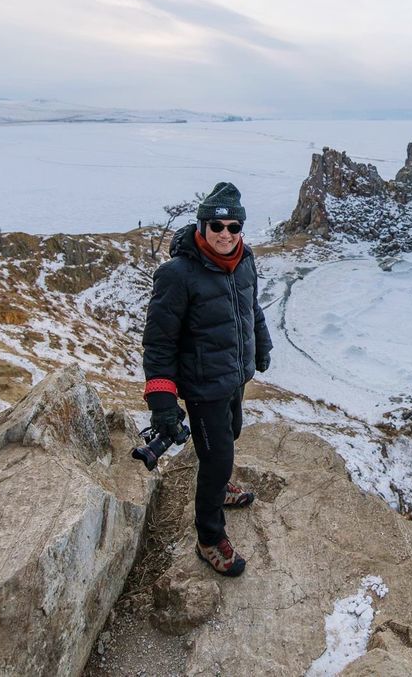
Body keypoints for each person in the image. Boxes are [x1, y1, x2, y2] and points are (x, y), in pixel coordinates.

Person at [142, 181, 273, 577]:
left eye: (233, 227)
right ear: (201, 226)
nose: (225, 234)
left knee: (230, 434)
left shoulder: (244, 260)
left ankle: (219, 486)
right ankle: (209, 538)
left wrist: (261, 347)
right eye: (217, 226)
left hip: (234, 376)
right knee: (217, 458)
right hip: (202, 386)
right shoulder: (177, 275)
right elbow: (158, 343)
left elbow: (251, 309)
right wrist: (163, 402)